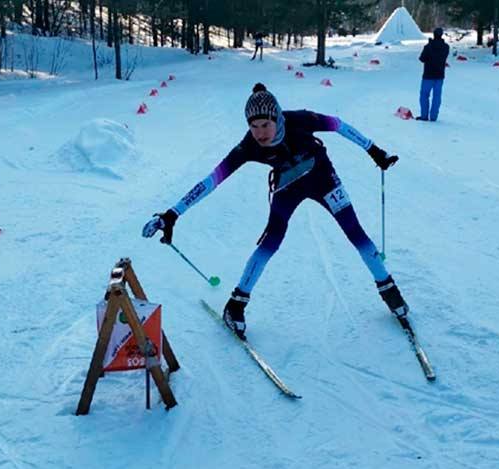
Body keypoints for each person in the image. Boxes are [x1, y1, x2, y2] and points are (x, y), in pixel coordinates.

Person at [142, 83, 409, 340]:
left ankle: (388, 289)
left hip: (323, 178)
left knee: (355, 232)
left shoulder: (300, 120)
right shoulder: (249, 145)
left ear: (277, 117)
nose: (260, 133)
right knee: (272, 240)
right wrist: (173, 213)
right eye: (253, 126)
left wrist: (374, 151)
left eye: (265, 125)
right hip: (287, 186)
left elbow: (338, 124)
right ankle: (236, 304)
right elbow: (213, 179)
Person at [417, 27, 450, 122]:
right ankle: (434, 117)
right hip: (440, 75)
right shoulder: (446, 47)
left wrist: (430, 44)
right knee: (437, 96)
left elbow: (422, 59)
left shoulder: (428, 47)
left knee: (424, 95)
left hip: (428, 74)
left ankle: (424, 116)